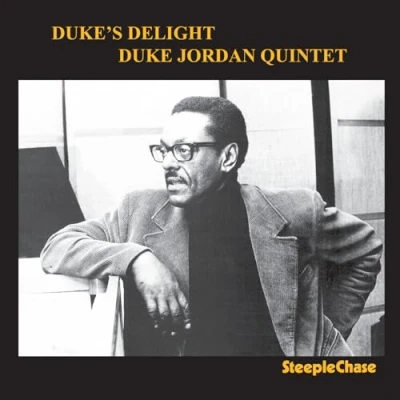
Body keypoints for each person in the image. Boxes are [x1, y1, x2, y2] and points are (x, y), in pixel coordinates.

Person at [41, 96, 382, 356]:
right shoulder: (139, 209)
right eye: (164, 150)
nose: (168, 163)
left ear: (227, 157)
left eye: (184, 150)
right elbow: (57, 247)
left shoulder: (294, 210)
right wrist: (137, 259)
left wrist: (321, 333)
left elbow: (366, 249)